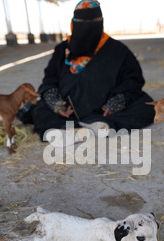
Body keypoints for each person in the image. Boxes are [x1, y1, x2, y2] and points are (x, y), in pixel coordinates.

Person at [18, 0, 155, 142]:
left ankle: (96, 124)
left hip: (104, 109)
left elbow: (133, 80)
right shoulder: (62, 50)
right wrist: (56, 105)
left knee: (146, 105)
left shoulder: (118, 51)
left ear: (101, 22)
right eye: (82, 21)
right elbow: (49, 81)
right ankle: (65, 130)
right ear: (73, 23)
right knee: (39, 108)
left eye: (94, 21)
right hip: (67, 110)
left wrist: (117, 102)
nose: (88, 27)